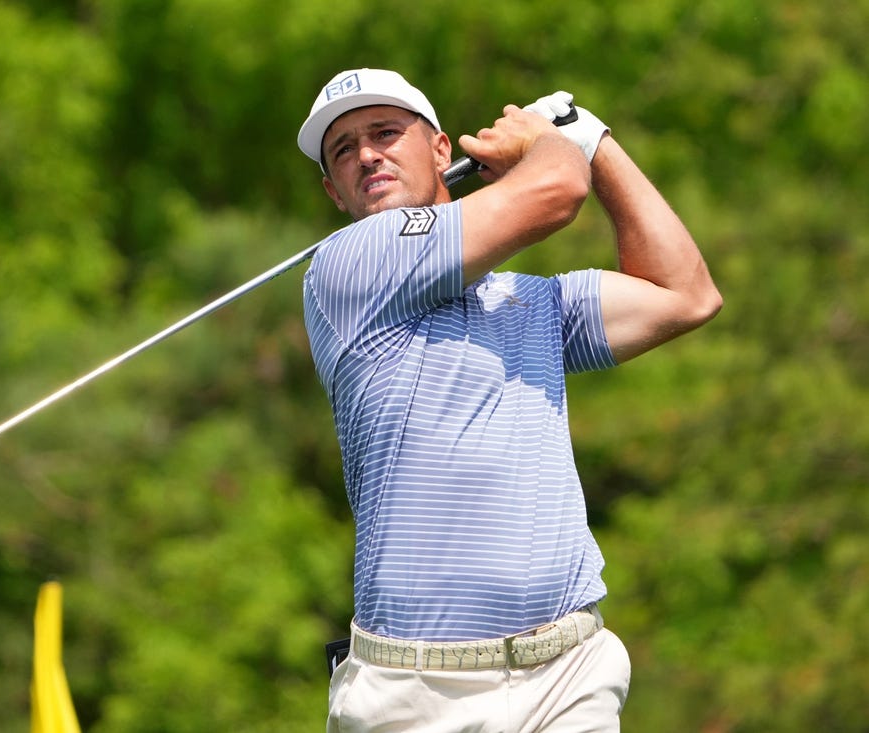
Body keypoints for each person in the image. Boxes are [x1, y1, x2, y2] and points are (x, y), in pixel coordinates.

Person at [296, 68, 722, 732]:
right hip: (415, 692)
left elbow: (685, 292)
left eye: (384, 133)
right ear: (333, 190)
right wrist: (545, 144)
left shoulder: (533, 302)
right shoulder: (348, 266)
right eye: (343, 150)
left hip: (566, 673)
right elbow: (555, 190)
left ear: (442, 151)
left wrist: (594, 140)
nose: (366, 155)